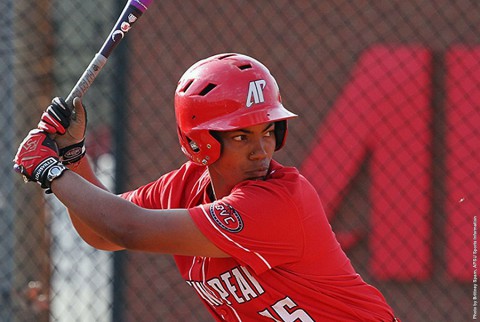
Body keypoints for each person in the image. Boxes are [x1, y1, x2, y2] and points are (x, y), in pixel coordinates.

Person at [14, 53, 399, 321]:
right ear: (199, 141)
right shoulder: (186, 186)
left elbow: (125, 227)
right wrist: (73, 156)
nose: (261, 149)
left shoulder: (279, 202)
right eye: (242, 136)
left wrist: (51, 171)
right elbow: (103, 233)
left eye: (268, 130)